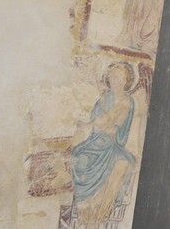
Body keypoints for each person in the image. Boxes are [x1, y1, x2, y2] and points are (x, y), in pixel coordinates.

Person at [67, 63, 137, 227]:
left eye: (120, 77)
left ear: (126, 80)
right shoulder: (104, 98)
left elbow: (109, 122)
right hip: (95, 142)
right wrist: (95, 125)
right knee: (79, 157)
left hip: (111, 147)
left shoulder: (127, 101)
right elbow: (101, 124)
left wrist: (88, 124)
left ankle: (99, 217)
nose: (116, 80)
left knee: (123, 164)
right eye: (113, 76)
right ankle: (85, 215)